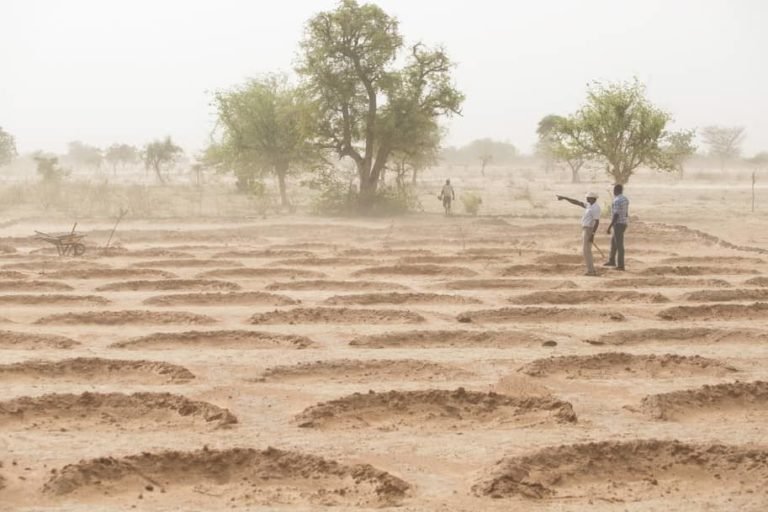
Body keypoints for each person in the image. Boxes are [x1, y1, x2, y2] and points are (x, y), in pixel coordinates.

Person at [556, 191, 601, 276]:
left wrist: (592, 234)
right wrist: (565, 197)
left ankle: (591, 271)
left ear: (593, 199)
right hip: (585, 229)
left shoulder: (596, 208)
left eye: (588, 197)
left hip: (589, 229)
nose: (586, 198)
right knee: (586, 250)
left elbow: (597, 222)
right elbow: (577, 202)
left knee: (586, 251)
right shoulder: (589, 205)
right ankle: (591, 270)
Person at [604, 184, 629, 271]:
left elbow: (616, 215)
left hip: (618, 224)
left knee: (619, 245)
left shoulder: (617, 200)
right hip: (623, 223)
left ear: (615, 190)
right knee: (613, 243)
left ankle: (621, 265)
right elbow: (626, 213)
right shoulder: (625, 199)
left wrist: (609, 227)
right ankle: (612, 261)